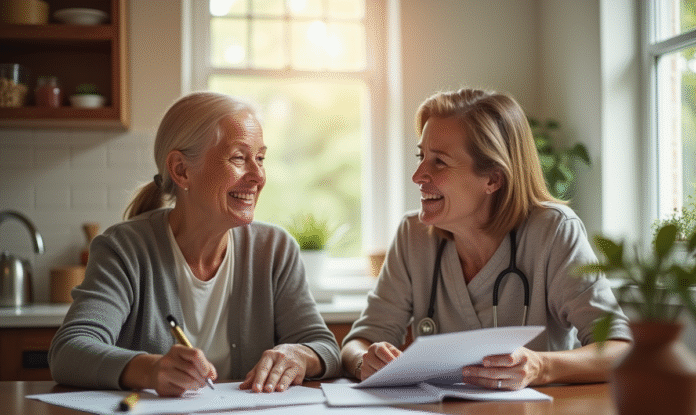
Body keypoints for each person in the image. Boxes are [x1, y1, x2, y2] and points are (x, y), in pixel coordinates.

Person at [49, 92, 341, 396]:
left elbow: (325, 348)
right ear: (181, 170)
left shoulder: (275, 249)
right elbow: (69, 351)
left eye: (260, 158)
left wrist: (300, 355)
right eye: (239, 158)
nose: (258, 176)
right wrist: (149, 370)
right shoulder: (124, 248)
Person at [341, 88, 631, 390]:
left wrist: (540, 367)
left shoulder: (553, 232)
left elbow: (618, 350)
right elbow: (359, 342)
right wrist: (366, 359)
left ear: (493, 179)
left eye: (438, 162)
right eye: (421, 156)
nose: (418, 175)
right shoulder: (413, 235)